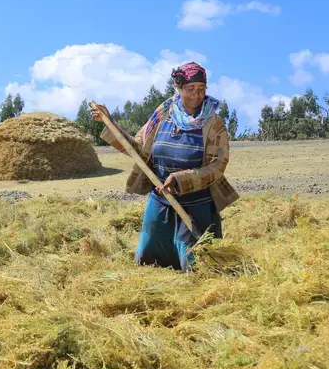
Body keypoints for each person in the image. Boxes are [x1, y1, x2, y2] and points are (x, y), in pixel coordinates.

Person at [90, 62, 239, 272]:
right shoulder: (163, 114)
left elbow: (217, 166)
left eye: (201, 89)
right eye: (190, 89)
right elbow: (139, 150)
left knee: (195, 266)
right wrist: (110, 124)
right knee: (146, 258)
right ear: (178, 87)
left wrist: (180, 179)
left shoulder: (213, 124)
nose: (197, 95)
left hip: (196, 206)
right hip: (160, 202)